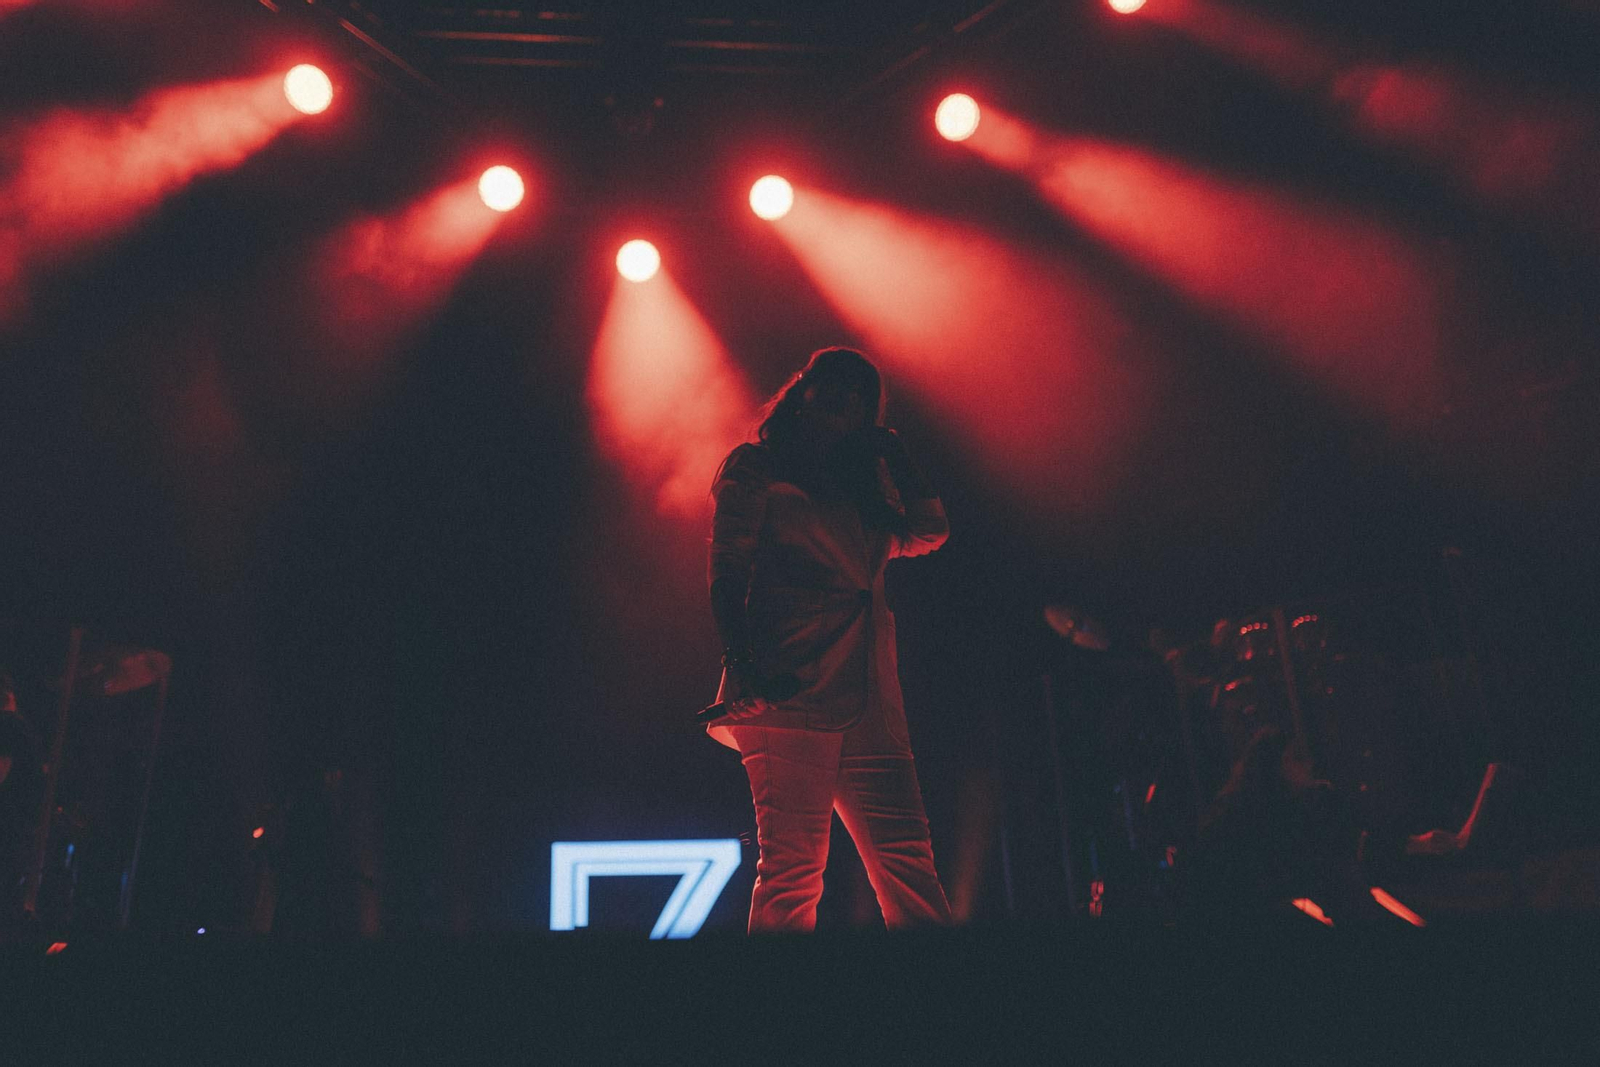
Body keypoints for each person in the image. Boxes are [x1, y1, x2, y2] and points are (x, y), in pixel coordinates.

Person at [703, 347, 953, 933]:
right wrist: (740, 665)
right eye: (832, 382)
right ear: (803, 390)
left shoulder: (861, 488)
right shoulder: (755, 467)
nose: (845, 396)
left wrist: (893, 452)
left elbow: (930, 531)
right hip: (783, 689)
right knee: (792, 872)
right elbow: (726, 571)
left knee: (908, 861)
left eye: (860, 392)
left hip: (869, 699)